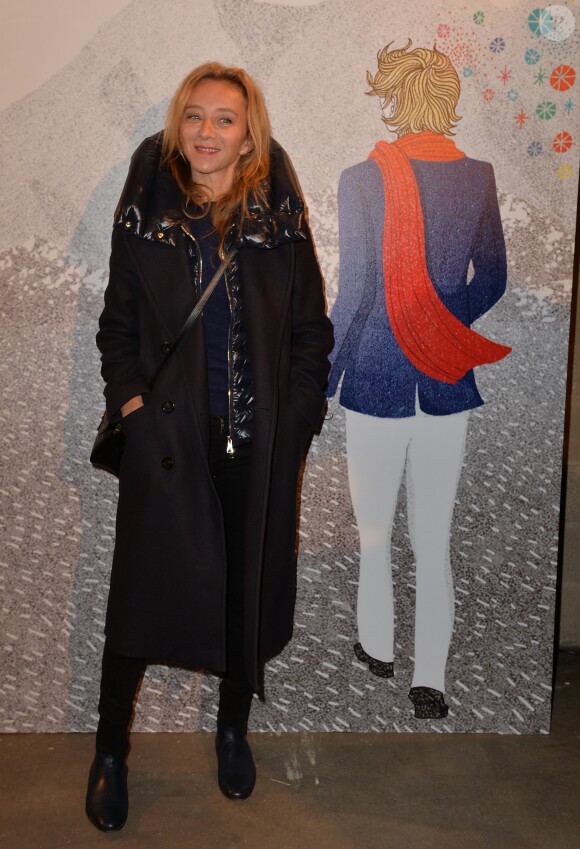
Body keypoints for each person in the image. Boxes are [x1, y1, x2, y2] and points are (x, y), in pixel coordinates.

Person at [86, 62, 333, 831]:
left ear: (249, 131)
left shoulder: (279, 218)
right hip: (168, 446)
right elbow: (116, 327)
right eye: (194, 115)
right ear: (176, 124)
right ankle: (110, 751)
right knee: (137, 600)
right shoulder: (148, 212)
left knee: (242, 595)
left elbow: (310, 332)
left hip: (254, 446)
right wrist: (134, 405)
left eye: (225, 118)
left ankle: (232, 728)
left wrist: (294, 423)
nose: (205, 132)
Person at [327, 42, 510, 720]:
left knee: (374, 530)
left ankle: (377, 647)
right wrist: (440, 321)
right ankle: (429, 680)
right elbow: (490, 278)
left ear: (396, 99)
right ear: (450, 102)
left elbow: (352, 295)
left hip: (374, 378)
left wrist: (319, 380)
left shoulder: (360, 178)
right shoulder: (480, 176)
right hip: (445, 379)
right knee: (433, 538)